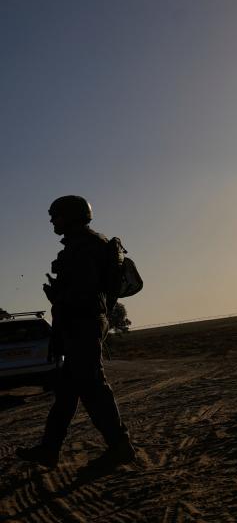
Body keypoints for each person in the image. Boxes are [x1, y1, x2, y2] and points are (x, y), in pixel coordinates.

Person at [16, 195, 137, 470]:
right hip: (82, 323)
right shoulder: (88, 244)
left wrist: (58, 295)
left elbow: (83, 292)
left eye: (55, 215)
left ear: (69, 216)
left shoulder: (84, 247)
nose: (51, 221)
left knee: (94, 388)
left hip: (83, 324)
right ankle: (49, 449)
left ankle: (121, 446)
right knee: (67, 392)